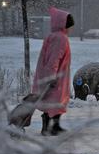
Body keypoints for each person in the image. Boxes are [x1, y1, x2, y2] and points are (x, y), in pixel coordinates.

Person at [32, 7, 74, 136]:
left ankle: (53, 126)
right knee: (55, 101)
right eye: (69, 25)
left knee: (52, 101)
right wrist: (52, 77)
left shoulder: (54, 36)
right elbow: (54, 59)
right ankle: (49, 128)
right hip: (56, 77)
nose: (71, 28)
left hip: (54, 75)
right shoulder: (60, 38)